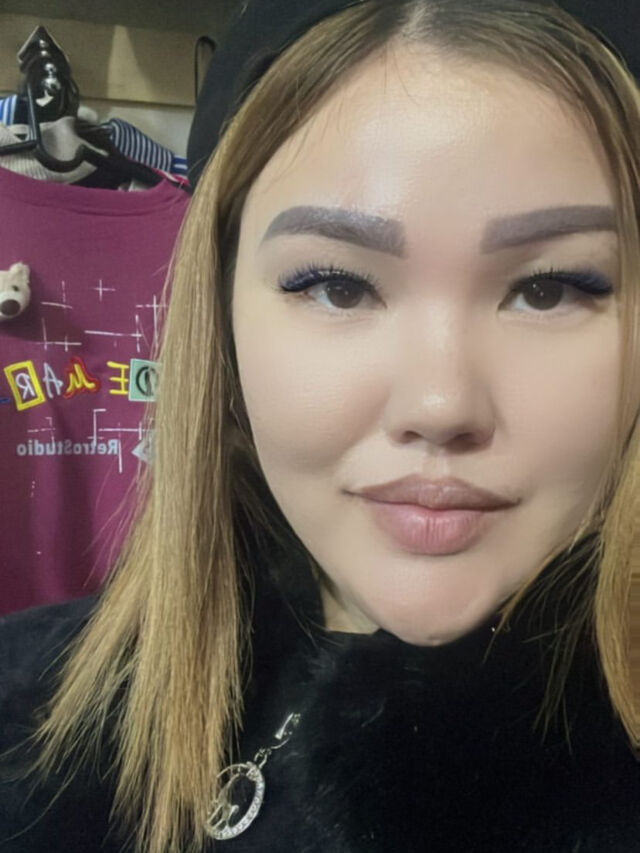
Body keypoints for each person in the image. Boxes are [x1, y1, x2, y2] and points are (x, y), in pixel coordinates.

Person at [1, 0, 639, 851]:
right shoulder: (25, 710)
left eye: (550, 287)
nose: (440, 405)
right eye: (338, 285)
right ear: (219, 321)